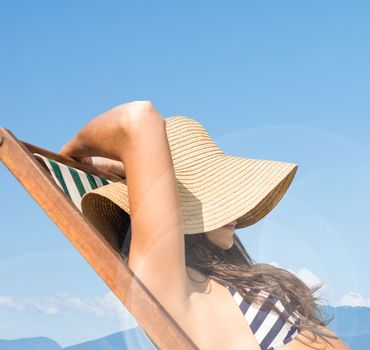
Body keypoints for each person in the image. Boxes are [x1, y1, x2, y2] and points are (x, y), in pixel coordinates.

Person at [61, 101, 351, 350]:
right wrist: (73, 153)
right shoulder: (170, 285)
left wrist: (129, 172)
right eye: (214, 195)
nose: (231, 205)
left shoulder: (217, 275)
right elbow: (137, 119)